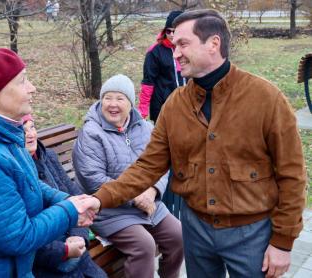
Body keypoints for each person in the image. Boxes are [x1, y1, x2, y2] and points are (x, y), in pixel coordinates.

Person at [91, 10, 307, 278]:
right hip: (196, 230)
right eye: (174, 45)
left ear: (213, 44)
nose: (175, 53)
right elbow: (147, 167)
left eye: (183, 44)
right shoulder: (175, 104)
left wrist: (282, 242)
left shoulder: (266, 99)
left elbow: (292, 175)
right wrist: (99, 200)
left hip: (251, 234)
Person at [0, 48, 96, 277]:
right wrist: (71, 210)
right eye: (22, 81)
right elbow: (18, 236)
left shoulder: (0, 133)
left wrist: (65, 199)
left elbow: (26, 181)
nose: (32, 87)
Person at [72, 74, 184, 278]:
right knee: (143, 245)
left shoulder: (145, 128)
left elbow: (161, 163)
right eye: (107, 98)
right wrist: (136, 196)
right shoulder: (91, 132)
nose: (112, 104)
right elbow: (92, 178)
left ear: (130, 103)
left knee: (178, 235)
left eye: (119, 98)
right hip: (108, 210)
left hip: (147, 203)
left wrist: (152, 191)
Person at [22, 114, 107, 278]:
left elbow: (74, 195)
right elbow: (26, 236)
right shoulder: (17, 170)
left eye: (32, 127)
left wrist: (78, 236)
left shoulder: (48, 157)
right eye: (23, 130)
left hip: (75, 244)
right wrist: (64, 250)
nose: (30, 134)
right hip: (47, 259)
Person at [138, 10, 186, 123]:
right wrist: (142, 110)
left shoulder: (189, 48)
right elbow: (148, 82)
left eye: (175, 31)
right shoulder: (154, 52)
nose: (172, 35)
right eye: (168, 31)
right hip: (163, 107)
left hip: (187, 106)